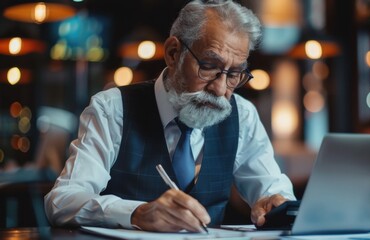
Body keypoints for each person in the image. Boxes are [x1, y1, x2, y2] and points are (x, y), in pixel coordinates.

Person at [44, 0, 296, 233]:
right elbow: (62, 201)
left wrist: (275, 204)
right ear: (174, 53)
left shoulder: (243, 116)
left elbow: (272, 190)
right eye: (208, 66)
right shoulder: (112, 109)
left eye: (234, 74)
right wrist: (136, 213)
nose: (220, 89)